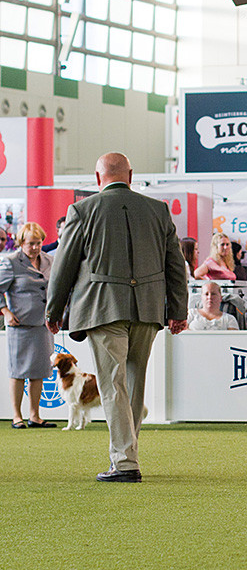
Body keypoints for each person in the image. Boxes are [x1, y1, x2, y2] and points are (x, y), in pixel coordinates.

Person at [45, 152, 188, 482]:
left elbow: (63, 266)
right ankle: (128, 454)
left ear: (98, 178)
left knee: (113, 385)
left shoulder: (81, 210)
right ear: (130, 174)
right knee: (134, 384)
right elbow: (176, 266)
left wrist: (54, 309)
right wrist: (178, 310)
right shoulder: (158, 209)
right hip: (148, 308)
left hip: (102, 308)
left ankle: (124, 462)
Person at [1, 223, 55, 429]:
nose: (35, 247)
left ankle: (35, 415)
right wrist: (5, 311)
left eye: (39, 243)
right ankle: (17, 416)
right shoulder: (11, 262)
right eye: (31, 243)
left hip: (44, 324)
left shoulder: (50, 260)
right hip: (19, 324)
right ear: (21, 243)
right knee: (18, 371)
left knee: (39, 371)